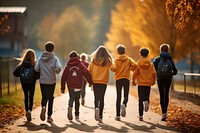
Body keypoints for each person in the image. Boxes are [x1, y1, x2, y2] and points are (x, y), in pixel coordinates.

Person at [34, 41, 62, 123]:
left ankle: (43, 106)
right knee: (51, 98)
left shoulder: (40, 58)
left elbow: (36, 69)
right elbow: (59, 67)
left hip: (42, 81)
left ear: (45, 48)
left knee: (44, 97)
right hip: (51, 81)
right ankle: (49, 116)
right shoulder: (55, 58)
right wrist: (56, 71)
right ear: (53, 49)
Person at [61, 51, 93, 121]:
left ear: (70, 58)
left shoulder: (67, 66)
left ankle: (70, 106)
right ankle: (77, 115)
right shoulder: (81, 65)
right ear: (77, 57)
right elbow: (87, 73)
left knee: (71, 98)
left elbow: (63, 77)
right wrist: (90, 82)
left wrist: (62, 88)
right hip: (78, 85)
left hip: (70, 85)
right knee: (77, 100)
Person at [88, 45, 115, 123]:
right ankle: (100, 116)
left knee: (96, 97)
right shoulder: (107, 61)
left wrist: (90, 81)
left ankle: (96, 107)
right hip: (103, 82)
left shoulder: (93, 61)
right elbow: (114, 69)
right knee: (102, 98)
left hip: (95, 81)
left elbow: (88, 71)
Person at [111, 44, 137, 121]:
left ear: (117, 51)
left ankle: (118, 115)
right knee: (126, 95)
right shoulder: (129, 59)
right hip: (126, 78)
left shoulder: (115, 60)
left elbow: (114, 68)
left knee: (118, 96)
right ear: (124, 51)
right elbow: (135, 65)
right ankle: (124, 104)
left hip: (118, 79)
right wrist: (130, 68)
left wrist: (113, 69)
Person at [152, 44, 177, 121]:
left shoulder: (158, 59)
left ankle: (163, 113)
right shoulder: (170, 59)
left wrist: (158, 72)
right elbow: (175, 71)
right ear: (168, 50)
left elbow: (152, 66)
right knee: (166, 94)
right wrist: (170, 73)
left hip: (160, 78)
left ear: (161, 50)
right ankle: (165, 112)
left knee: (161, 94)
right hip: (168, 78)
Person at [13, 49, 39, 122]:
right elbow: (38, 75)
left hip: (24, 82)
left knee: (26, 96)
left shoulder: (22, 64)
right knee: (31, 96)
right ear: (33, 56)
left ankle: (26, 110)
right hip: (32, 82)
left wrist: (22, 74)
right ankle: (29, 111)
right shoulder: (34, 64)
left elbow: (15, 73)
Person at [132, 47, 156, 121]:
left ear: (140, 54)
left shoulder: (138, 63)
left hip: (140, 84)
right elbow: (154, 73)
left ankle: (140, 116)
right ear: (148, 54)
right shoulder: (150, 64)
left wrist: (133, 80)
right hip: (148, 83)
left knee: (140, 99)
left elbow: (135, 72)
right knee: (147, 96)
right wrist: (153, 81)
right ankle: (146, 101)